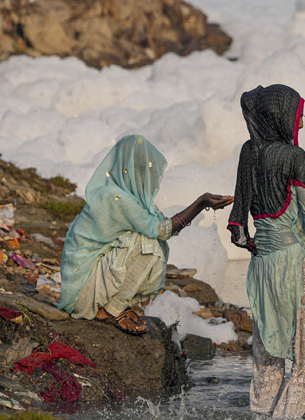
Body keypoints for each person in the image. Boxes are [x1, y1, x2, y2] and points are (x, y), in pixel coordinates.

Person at [229, 84, 305, 419]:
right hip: (292, 266)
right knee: (304, 354)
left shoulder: (249, 151)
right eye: (298, 116)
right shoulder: (295, 156)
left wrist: (258, 244)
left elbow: (238, 225)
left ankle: (261, 418)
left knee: (267, 351)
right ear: (281, 117)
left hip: (262, 265)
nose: (302, 124)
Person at [59, 135, 232, 335]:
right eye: (141, 171)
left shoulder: (126, 196)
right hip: (81, 294)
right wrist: (200, 203)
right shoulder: (115, 197)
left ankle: (115, 305)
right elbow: (163, 230)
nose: (146, 178)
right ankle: (108, 311)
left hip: (88, 282)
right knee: (148, 243)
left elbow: (162, 226)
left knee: (148, 239)